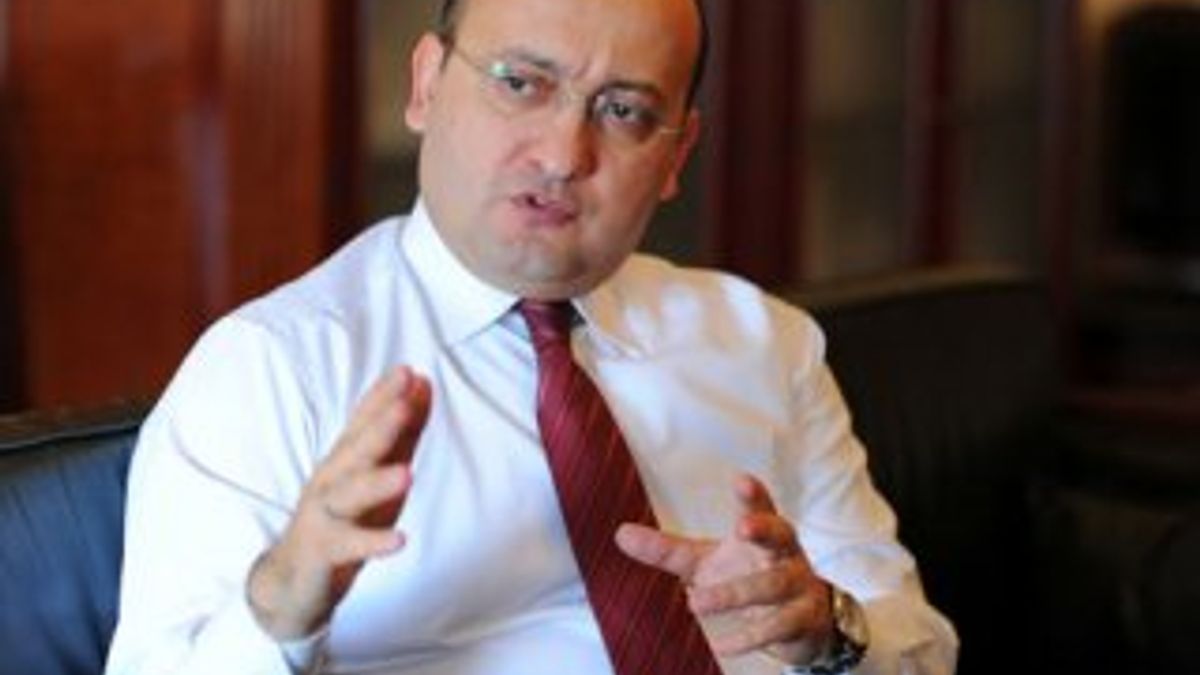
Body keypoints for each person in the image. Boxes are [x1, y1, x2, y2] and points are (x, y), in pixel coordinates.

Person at [104, 0, 958, 672]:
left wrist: (828, 631)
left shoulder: (763, 341)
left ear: (677, 155)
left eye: (624, 110)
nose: (561, 154)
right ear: (426, 85)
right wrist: (279, 610)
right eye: (521, 83)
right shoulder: (269, 368)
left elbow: (921, 647)